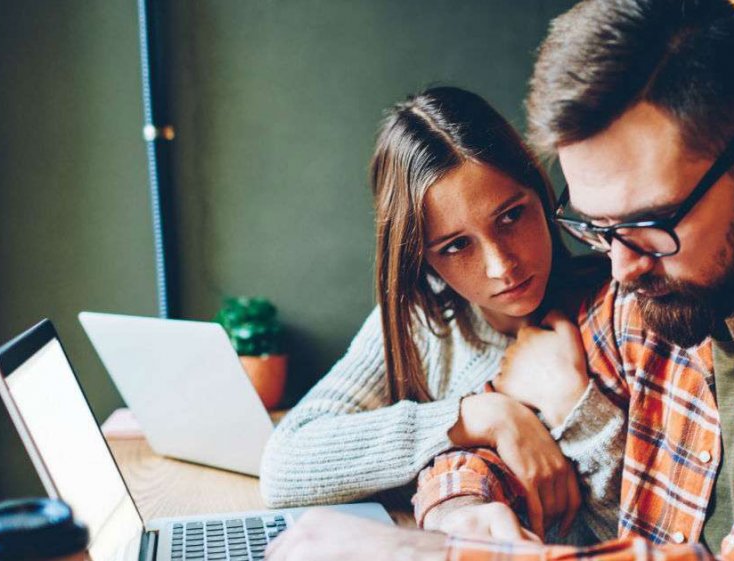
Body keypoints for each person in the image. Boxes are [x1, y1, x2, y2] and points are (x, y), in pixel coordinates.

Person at [264, 1, 734, 560]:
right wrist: (467, 504)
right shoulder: (647, 303)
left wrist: (438, 554)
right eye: (595, 228)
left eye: (650, 222)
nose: (620, 267)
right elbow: (481, 461)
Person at [259, 86, 624, 544]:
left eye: (510, 216)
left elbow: (657, 528)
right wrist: (480, 416)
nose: (501, 265)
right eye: (456, 246)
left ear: (540, 191)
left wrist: (575, 408)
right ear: (422, 259)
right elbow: (285, 464)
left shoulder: (616, 310)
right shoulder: (425, 319)